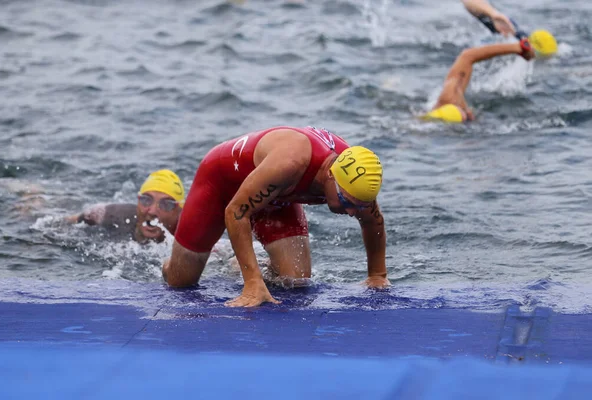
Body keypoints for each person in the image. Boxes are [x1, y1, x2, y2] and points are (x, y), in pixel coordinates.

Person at [163, 126, 388, 307]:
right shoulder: (291, 163)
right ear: (330, 175)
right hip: (221, 182)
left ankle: (234, 261)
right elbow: (235, 212)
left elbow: (372, 221)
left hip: (276, 194)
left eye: (357, 205)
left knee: (296, 280)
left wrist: (377, 275)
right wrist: (252, 284)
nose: (350, 211)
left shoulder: (357, 181)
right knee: (181, 281)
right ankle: (173, 254)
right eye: (346, 202)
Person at [422, 39, 536, 123]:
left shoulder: (450, 97)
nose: (469, 113)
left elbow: (467, 56)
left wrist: (519, 48)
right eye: (465, 115)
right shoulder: (450, 101)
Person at [66, 169, 184, 244]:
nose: (152, 211)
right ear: (138, 201)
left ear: (179, 212)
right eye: (146, 200)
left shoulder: (187, 239)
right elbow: (61, 225)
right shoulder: (112, 214)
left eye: (166, 205)